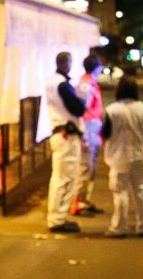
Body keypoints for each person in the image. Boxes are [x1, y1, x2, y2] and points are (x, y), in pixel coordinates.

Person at [101, 77, 143, 237]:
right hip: (139, 154)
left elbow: (106, 133)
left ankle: (119, 227)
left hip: (118, 156)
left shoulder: (112, 110)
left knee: (120, 192)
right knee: (141, 191)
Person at [44, 51, 86, 233]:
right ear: (67, 64)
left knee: (59, 178)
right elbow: (78, 108)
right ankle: (58, 219)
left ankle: (57, 217)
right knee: (66, 178)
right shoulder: (62, 84)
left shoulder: (52, 82)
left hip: (58, 134)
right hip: (66, 135)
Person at [72, 53, 105, 217]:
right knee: (85, 166)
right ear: (96, 68)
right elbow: (82, 111)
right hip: (88, 129)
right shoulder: (86, 86)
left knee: (90, 167)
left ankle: (84, 199)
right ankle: (78, 201)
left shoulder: (90, 84)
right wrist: (84, 134)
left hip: (93, 129)